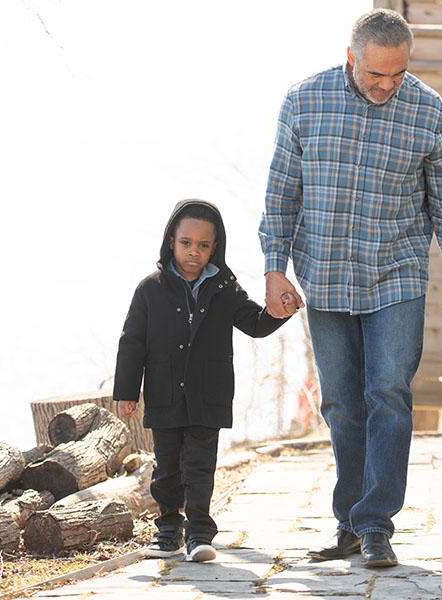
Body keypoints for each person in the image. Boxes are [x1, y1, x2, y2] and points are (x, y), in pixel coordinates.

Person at [259, 8, 442, 568]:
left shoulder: (429, 111)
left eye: (398, 74)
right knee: (341, 403)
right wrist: (273, 267)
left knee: (389, 393)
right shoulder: (304, 101)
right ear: (351, 57)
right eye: (375, 75)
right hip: (326, 274)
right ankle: (349, 524)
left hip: (397, 273)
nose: (387, 85)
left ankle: (376, 524)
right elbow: (282, 193)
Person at [113, 199, 295, 562]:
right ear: (171, 241)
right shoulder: (150, 289)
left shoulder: (224, 287)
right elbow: (131, 341)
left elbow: (255, 324)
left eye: (203, 245)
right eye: (186, 243)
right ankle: (167, 533)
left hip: (208, 395)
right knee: (167, 468)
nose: (193, 252)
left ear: (215, 247)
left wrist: (279, 313)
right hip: (164, 394)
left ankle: (199, 534)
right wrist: (126, 392)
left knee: (199, 467)